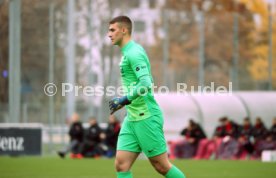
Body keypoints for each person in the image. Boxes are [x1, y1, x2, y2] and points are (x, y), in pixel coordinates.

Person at [108, 16, 186, 178]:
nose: (109, 34)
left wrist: (124, 100)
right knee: (121, 164)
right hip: (132, 118)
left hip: (146, 116)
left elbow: (146, 82)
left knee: (161, 166)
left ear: (124, 30)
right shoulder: (126, 53)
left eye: (112, 30)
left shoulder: (134, 52)